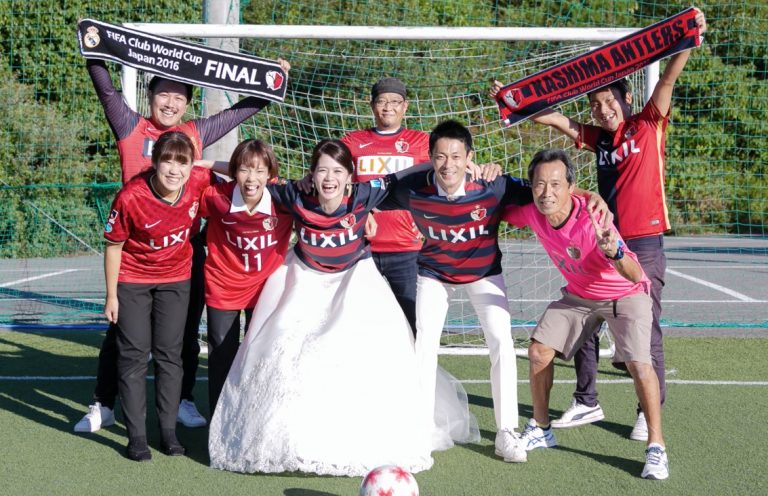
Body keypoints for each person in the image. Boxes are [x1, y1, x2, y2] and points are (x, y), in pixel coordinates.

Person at [490, 8, 706, 439]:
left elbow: (665, 82)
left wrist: (687, 41)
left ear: (626, 100)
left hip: (642, 244)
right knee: (584, 316)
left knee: (646, 332)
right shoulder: (600, 140)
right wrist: (514, 99)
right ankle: (587, 400)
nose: (603, 110)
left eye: (610, 102)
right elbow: (554, 119)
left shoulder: (648, 124)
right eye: (595, 105)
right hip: (601, 241)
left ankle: (647, 412)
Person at [208, 140, 477, 476]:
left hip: (354, 281)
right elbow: (250, 177)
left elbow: (405, 174)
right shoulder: (294, 194)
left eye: (337, 171)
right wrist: (204, 164)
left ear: (350, 176)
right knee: (286, 353)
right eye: (322, 170)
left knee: (364, 355)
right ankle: (291, 439)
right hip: (305, 281)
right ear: (311, 174)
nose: (329, 178)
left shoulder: (365, 194)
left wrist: (453, 167)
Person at [75, 58, 290, 432]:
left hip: (183, 252)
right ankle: (104, 404)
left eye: (179, 97)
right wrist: (94, 47)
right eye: (164, 94)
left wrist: (272, 79)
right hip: (137, 254)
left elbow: (241, 113)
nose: (170, 103)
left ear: (188, 104)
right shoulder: (130, 125)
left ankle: (182, 399)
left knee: (185, 332)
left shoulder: (194, 132)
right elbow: (106, 90)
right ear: (150, 95)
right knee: (120, 334)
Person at [376, 120, 609, 464]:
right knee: (424, 345)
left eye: (457, 156)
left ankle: (506, 432)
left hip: (483, 273)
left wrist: (590, 195)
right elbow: (366, 193)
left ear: (470, 157)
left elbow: (547, 190)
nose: (448, 164)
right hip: (434, 274)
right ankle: (421, 431)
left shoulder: (492, 184)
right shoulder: (412, 187)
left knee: (501, 342)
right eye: (440, 157)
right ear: (430, 158)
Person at [502, 149, 668, 479]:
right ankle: (541, 429)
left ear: (570, 187)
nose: (547, 192)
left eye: (556, 184)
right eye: (539, 184)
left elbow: (635, 274)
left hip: (624, 293)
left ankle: (656, 447)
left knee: (639, 363)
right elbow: (494, 205)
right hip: (579, 296)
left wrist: (615, 252)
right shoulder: (532, 212)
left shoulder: (593, 217)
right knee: (538, 351)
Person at [103, 132, 215, 461]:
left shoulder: (197, 180)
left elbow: (239, 169)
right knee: (134, 355)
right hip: (133, 280)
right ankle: (136, 436)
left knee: (170, 354)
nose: (174, 170)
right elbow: (113, 246)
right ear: (154, 162)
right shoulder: (131, 197)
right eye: (167, 160)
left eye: (183, 162)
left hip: (176, 279)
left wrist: (203, 163)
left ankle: (168, 432)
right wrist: (111, 296)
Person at [198, 139, 293, 416]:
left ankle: (254, 417)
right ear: (233, 172)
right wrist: (203, 164)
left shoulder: (284, 198)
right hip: (223, 286)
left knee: (260, 355)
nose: (252, 179)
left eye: (260, 171)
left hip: (265, 289)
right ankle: (219, 419)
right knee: (221, 355)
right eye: (244, 170)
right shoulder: (215, 197)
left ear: (270, 175)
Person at [340, 77, 429, 335]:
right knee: (361, 326)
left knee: (414, 324)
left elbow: (444, 178)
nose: (388, 107)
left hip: (408, 250)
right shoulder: (353, 141)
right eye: (381, 101)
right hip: (362, 249)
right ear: (372, 105)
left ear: (405, 106)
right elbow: (333, 179)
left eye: (395, 101)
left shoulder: (422, 142)